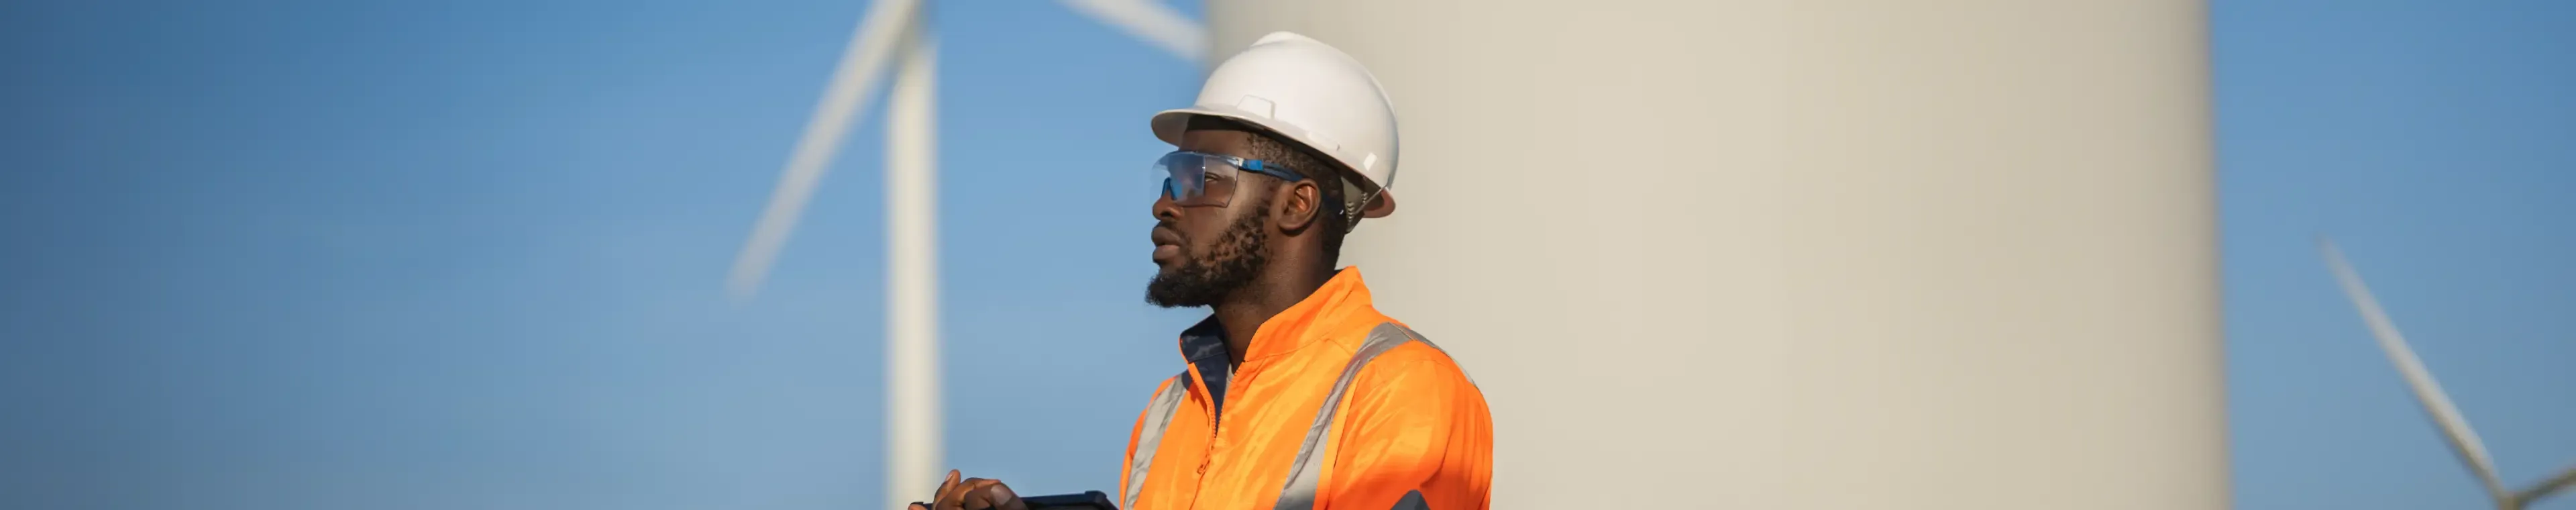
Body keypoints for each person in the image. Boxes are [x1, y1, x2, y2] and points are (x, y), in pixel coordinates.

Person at [910, 32, 1492, 510]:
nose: (1166, 202)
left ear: (1298, 204)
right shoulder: (1169, 410)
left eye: (1200, 176)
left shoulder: (1404, 388)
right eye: (1171, 176)